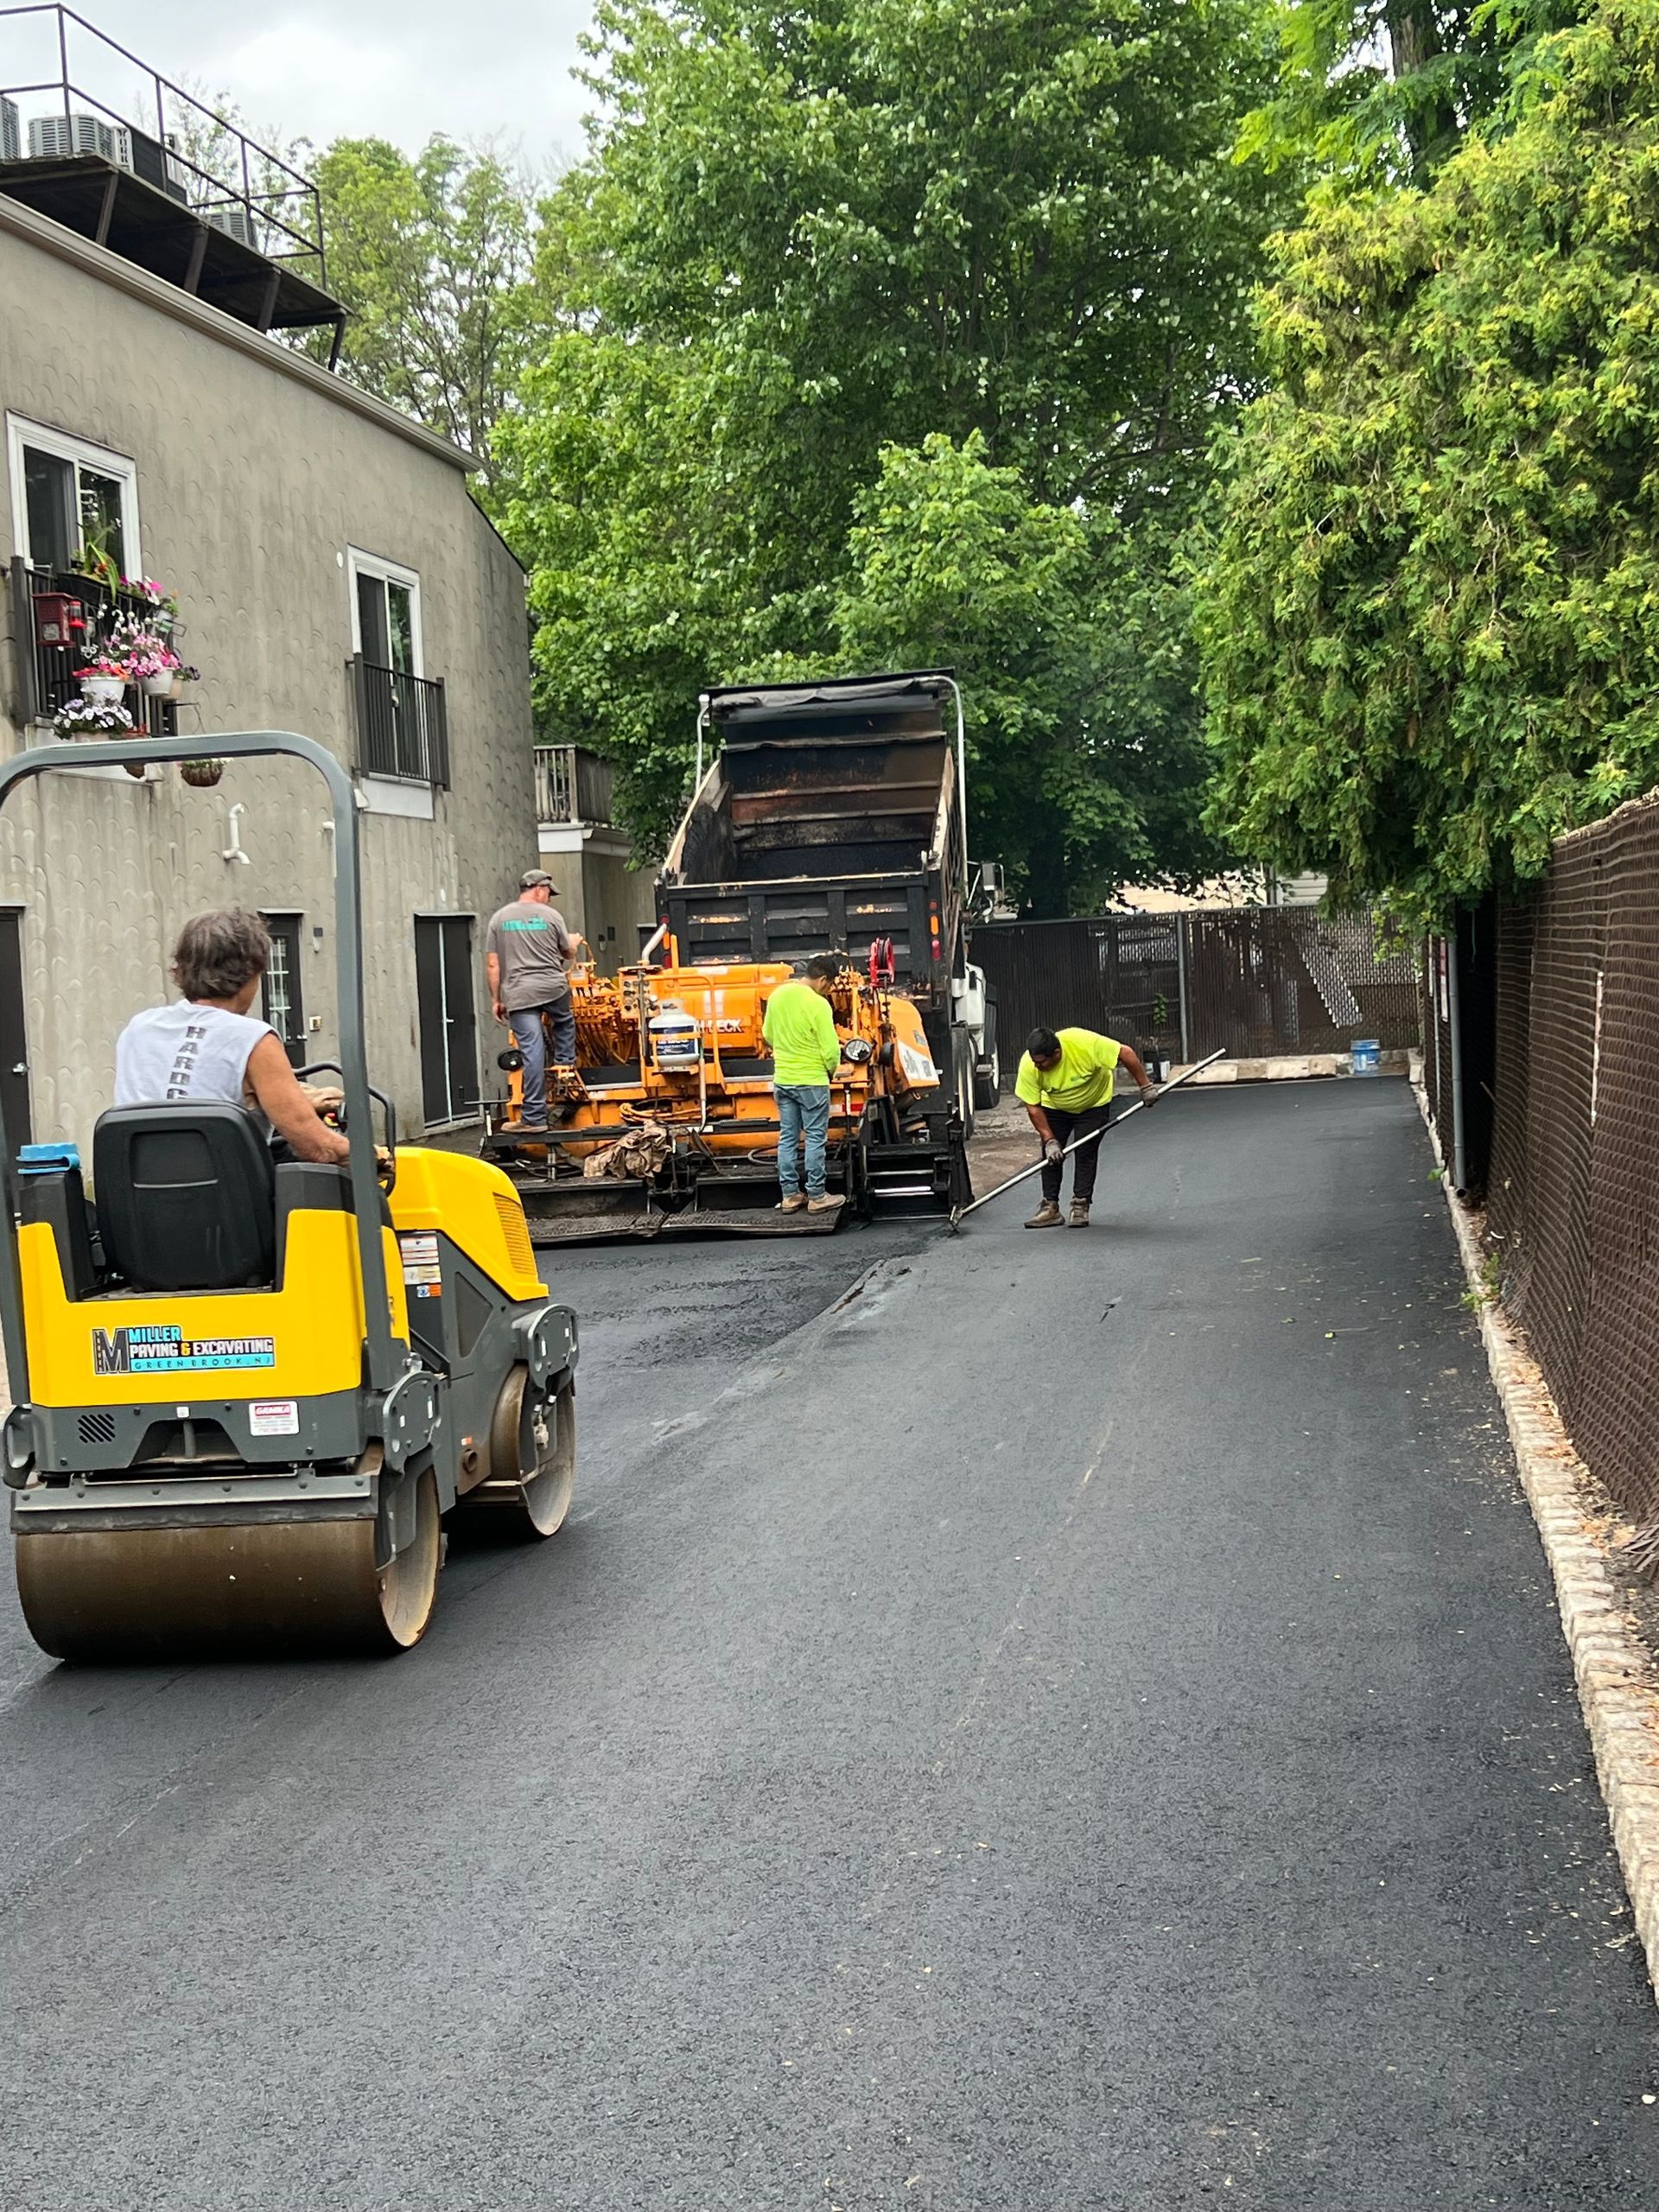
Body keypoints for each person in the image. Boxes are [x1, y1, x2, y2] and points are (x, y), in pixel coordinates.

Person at [115, 909, 351, 1166]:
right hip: (223, 1188)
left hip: (137, 1186)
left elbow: (186, 1090)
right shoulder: (254, 1039)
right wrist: (375, 1156)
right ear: (249, 973)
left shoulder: (139, 1028)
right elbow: (319, 1149)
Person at [1014, 1024, 1157, 1229]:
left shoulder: (1083, 1043)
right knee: (1050, 1155)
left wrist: (1145, 1086)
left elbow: (1125, 1053)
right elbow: (1033, 1107)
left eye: (1042, 1062)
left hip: (1093, 1104)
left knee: (1085, 1150)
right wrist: (1050, 1139)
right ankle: (1050, 1208)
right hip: (1055, 1107)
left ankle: (1080, 1205)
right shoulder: (1029, 1065)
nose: (1037, 1066)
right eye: (1035, 1062)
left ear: (1057, 1053)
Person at [486, 870, 586, 1133]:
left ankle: (533, 1118)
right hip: (553, 988)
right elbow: (567, 952)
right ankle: (565, 1068)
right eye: (549, 893)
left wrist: (496, 999)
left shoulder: (499, 919)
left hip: (519, 993)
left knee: (532, 1051)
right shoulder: (552, 917)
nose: (550, 899)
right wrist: (574, 942)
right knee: (564, 1022)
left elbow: (493, 964)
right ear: (539, 889)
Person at [762, 953, 844, 1214]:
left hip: (783, 1080)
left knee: (787, 1138)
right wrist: (831, 1071)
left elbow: (767, 1034)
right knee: (815, 1138)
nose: (828, 990)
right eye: (830, 985)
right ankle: (817, 1196)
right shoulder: (819, 1004)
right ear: (823, 980)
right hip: (811, 1082)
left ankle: (789, 1196)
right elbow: (830, 1051)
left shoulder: (777, 996)